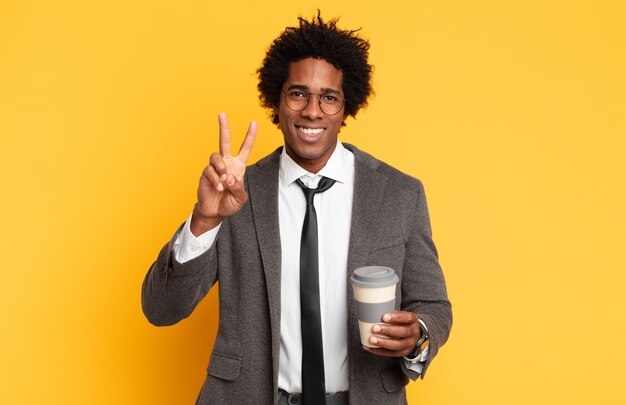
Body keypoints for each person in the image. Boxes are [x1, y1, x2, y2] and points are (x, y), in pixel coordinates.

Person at [142, 12, 452, 405]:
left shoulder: (398, 194)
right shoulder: (235, 194)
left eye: (329, 97)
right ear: (277, 99)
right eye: (298, 93)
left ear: (346, 106)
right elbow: (161, 309)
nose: (312, 111)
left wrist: (418, 335)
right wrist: (205, 220)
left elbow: (433, 304)